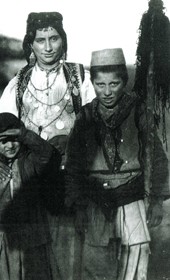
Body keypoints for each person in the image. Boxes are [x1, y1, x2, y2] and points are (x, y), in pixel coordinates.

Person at [0, 12, 95, 279]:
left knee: (70, 258)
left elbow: (98, 128)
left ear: (63, 41)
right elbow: (4, 134)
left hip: (69, 182)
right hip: (30, 181)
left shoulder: (80, 79)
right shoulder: (17, 85)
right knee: (35, 261)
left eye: (54, 38)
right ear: (31, 44)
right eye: (41, 40)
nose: (48, 47)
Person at [65, 48, 169, 280]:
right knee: (97, 264)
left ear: (124, 81)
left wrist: (156, 200)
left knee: (135, 261)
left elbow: (156, 157)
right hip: (95, 201)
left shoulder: (139, 110)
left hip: (131, 199)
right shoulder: (85, 116)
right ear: (92, 83)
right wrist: (78, 205)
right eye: (100, 85)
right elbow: (74, 165)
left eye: (114, 84)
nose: (107, 91)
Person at [0, 112, 61, 280]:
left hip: (33, 236)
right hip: (5, 239)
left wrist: (24, 134)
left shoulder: (29, 161)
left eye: (14, 140)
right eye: (3, 141)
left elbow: (47, 155)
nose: (10, 146)